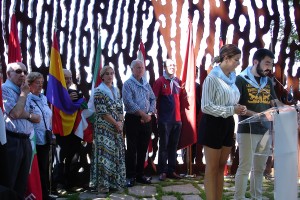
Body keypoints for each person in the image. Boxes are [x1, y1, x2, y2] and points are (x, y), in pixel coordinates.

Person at [198, 44, 246, 200]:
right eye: (236, 60)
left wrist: (237, 107)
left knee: (221, 167)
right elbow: (206, 106)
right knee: (212, 168)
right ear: (226, 58)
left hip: (227, 123)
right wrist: (231, 110)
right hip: (212, 124)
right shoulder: (212, 78)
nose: (239, 63)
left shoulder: (232, 79)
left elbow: (230, 102)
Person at [234, 48, 284, 199]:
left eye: (271, 64)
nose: (269, 67)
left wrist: (287, 108)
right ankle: (239, 198)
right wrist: (256, 115)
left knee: (259, 169)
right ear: (256, 62)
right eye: (267, 63)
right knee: (245, 168)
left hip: (265, 131)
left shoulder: (267, 81)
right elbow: (235, 106)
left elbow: (274, 103)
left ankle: (257, 197)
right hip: (247, 130)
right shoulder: (241, 79)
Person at [1, 62, 41, 198]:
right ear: (8, 74)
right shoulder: (5, 89)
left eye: (24, 71)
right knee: (9, 181)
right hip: (11, 140)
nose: (22, 74)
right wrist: (24, 97)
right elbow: (15, 113)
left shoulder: (25, 90)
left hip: (26, 140)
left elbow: (37, 117)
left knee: (22, 182)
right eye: (18, 71)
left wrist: (27, 112)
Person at [89, 65, 126, 193]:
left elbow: (120, 108)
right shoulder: (99, 91)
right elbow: (103, 112)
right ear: (102, 76)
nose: (110, 76)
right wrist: (116, 123)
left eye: (112, 73)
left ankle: (115, 183)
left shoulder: (116, 90)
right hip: (104, 129)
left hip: (116, 128)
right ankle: (103, 185)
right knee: (105, 155)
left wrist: (120, 122)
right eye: (107, 74)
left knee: (116, 153)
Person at [122, 59, 156, 187]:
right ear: (132, 69)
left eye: (142, 67)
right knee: (132, 149)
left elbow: (153, 98)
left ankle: (140, 174)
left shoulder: (146, 84)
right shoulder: (128, 84)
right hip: (133, 119)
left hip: (147, 120)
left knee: (143, 148)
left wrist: (149, 114)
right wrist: (142, 114)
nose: (140, 69)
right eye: (137, 67)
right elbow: (128, 102)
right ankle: (130, 176)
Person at [52, 69, 83, 191]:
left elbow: (80, 107)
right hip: (61, 131)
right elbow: (55, 109)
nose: (68, 80)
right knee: (59, 159)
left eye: (70, 77)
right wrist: (66, 99)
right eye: (65, 78)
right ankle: (58, 184)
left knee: (74, 157)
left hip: (74, 130)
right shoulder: (54, 93)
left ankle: (71, 183)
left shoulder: (75, 91)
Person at [153, 59, 182, 181]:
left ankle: (171, 170)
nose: (172, 67)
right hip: (165, 120)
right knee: (164, 146)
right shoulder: (160, 81)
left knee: (173, 146)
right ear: (164, 67)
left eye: (174, 65)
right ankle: (162, 171)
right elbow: (153, 98)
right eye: (170, 65)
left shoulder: (177, 81)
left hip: (177, 120)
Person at [27, 72, 53, 200]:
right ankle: (41, 195)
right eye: (37, 83)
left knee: (45, 167)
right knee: (38, 169)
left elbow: (48, 116)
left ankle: (45, 193)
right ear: (30, 84)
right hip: (33, 140)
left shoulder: (43, 98)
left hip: (45, 138)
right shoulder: (27, 98)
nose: (40, 85)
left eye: (42, 83)